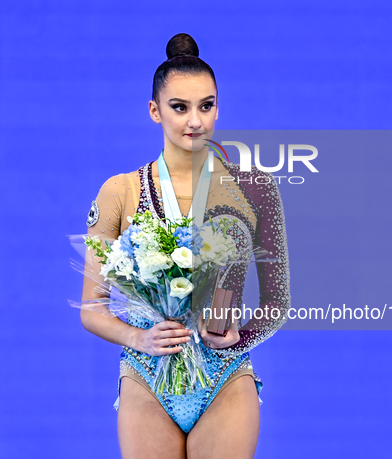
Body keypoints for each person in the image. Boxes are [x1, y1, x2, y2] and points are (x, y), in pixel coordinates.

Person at [79, 33, 290, 459]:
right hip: (147, 376)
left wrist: (239, 336)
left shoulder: (254, 189)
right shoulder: (120, 191)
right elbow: (91, 309)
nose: (195, 121)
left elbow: (278, 300)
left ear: (218, 107)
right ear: (155, 111)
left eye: (206, 106)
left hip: (224, 376)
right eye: (180, 107)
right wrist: (141, 340)